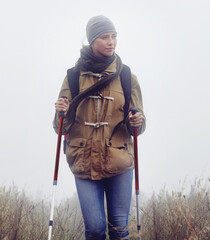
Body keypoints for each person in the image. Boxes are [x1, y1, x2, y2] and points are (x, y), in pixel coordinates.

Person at [53, 15, 145, 240]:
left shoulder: (126, 77)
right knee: (94, 229)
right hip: (84, 161)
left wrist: (137, 121)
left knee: (119, 230)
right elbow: (60, 128)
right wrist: (61, 112)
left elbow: (139, 124)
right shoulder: (73, 77)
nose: (111, 41)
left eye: (114, 36)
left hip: (119, 160)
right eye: (105, 37)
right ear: (92, 40)